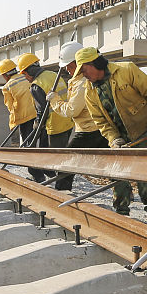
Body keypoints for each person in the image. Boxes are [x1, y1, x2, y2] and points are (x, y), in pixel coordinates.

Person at [79, 47, 147, 222]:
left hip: (143, 128)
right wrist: (113, 139)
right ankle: (122, 209)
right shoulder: (90, 92)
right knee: (117, 172)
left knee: (145, 169)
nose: (84, 75)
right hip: (120, 136)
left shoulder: (127, 70)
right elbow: (101, 121)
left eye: (84, 69)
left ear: (95, 63)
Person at [45, 41, 100, 190]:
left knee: (67, 164)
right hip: (96, 128)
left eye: (69, 66)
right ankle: (124, 194)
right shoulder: (80, 79)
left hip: (89, 130)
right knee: (112, 163)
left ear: (77, 63)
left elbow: (72, 110)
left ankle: (61, 192)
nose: (67, 70)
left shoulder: (82, 82)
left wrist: (55, 100)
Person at [18, 52, 74, 190]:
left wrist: (37, 125)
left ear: (30, 70)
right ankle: (55, 179)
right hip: (68, 121)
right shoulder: (52, 75)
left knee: (58, 159)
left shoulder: (37, 85)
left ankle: (62, 188)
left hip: (56, 125)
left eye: (25, 74)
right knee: (61, 155)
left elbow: (42, 111)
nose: (25, 78)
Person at [0, 58, 46, 183]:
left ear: (4, 75)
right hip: (40, 114)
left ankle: (37, 176)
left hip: (26, 119)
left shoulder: (7, 87)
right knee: (41, 145)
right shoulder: (25, 77)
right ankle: (45, 170)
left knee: (28, 147)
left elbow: (11, 107)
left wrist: (13, 122)